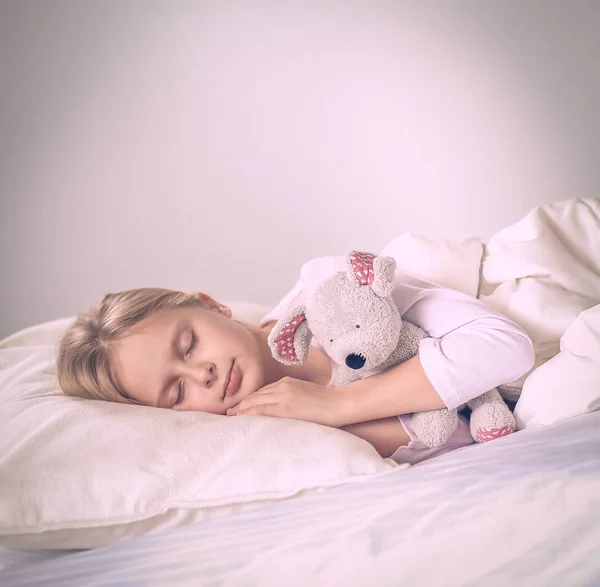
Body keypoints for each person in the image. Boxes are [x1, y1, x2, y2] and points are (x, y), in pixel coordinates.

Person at [57, 254, 535, 464]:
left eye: (189, 346)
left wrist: (342, 407)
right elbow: (450, 435)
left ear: (211, 304)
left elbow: (504, 346)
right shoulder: (266, 437)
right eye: (176, 391)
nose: (200, 374)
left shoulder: (330, 292)